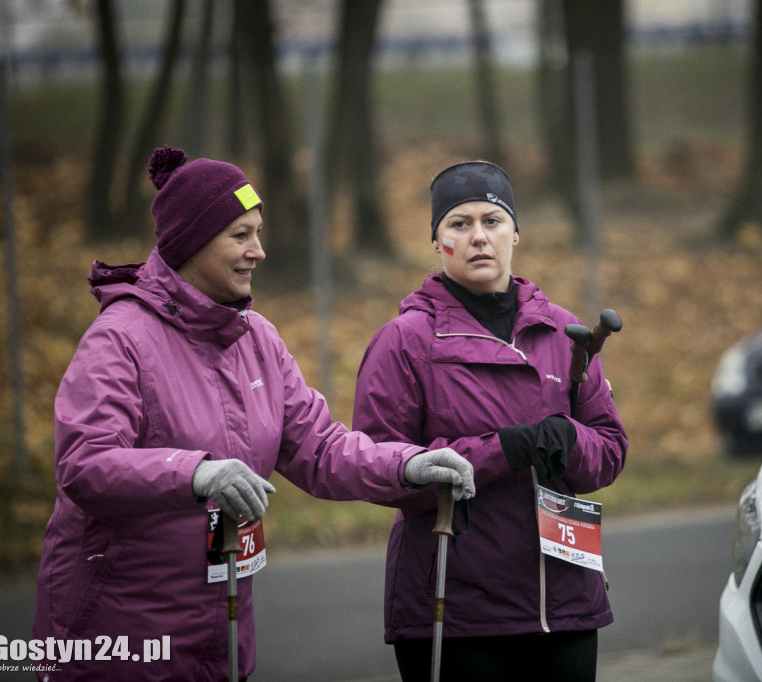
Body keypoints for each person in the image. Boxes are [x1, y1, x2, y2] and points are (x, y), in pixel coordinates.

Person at [31, 146, 475, 682]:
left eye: (257, 233)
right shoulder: (120, 339)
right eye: (240, 235)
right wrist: (196, 473)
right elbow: (85, 465)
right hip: (118, 642)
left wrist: (408, 465)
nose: (258, 251)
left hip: (221, 639)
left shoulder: (256, 338)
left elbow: (321, 448)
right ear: (192, 242)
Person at [352, 161, 628, 681]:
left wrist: (569, 439)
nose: (478, 236)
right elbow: (377, 470)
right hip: (456, 613)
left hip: (565, 604)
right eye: (459, 224)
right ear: (437, 242)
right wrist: (505, 450)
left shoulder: (563, 333)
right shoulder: (405, 341)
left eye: (492, 221)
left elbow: (610, 451)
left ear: (516, 234)